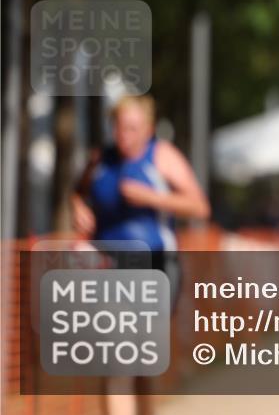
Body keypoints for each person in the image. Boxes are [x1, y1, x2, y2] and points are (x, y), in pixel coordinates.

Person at [70, 94, 210, 415]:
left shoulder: (162, 156)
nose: (125, 136)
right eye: (119, 128)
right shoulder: (100, 160)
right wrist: (77, 207)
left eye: (132, 128)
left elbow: (200, 206)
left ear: (148, 128)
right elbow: (77, 192)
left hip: (156, 266)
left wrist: (151, 197)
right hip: (108, 267)